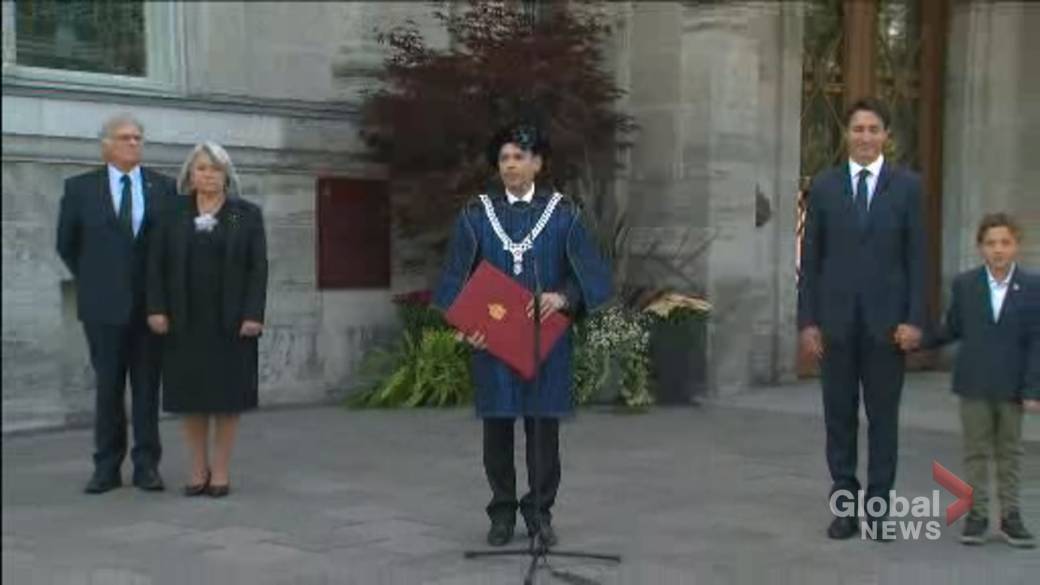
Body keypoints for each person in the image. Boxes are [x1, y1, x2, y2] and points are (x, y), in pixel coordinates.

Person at [433, 123, 612, 547]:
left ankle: (539, 514)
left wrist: (564, 297)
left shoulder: (565, 214)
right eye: (504, 159)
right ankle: (501, 512)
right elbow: (456, 278)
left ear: (537, 163)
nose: (511, 165)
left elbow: (589, 273)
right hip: (493, 341)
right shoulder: (476, 216)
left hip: (545, 340)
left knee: (543, 429)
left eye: (519, 157)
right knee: (496, 427)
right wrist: (466, 327)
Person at [797, 97, 928, 540]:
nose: (866, 137)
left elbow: (916, 259)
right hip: (834, 326)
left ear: (886, 136)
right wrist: (808, 322)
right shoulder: (827, 187)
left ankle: (879, 512)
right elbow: (810, 261)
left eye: (874, 129)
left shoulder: (907, 187)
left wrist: (914, 320)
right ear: (846, 135)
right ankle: (845, 509)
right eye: (858, 129)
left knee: (883, 420)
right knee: (839, 419)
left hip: (887, 328)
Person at [56, 113, 177, 494]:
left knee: (146, 388)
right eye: (124, 138)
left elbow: (170, 249)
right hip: (103, 307)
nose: (133, 144)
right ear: (105, 145)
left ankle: (146, 466)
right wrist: (98, 279)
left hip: (150, 307)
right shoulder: (80, 189)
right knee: (108, 387)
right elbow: (67, 245)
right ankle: (106, 467)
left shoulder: (163, 187)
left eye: (138, 138)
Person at [146, 142, 268, 498]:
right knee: (192, 398)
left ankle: (222, 471)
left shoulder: (246, 214)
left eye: (215, 169)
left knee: (227, 400)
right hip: (184, 321)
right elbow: (155, 266)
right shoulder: (171, 213)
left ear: (226, 174)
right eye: (201, 168)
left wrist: (253, 315)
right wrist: (156, 309)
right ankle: (197, 469)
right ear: (190, 175)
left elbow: (257, 269)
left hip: (231, 324)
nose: (208, 175)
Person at [929, 213, 1038, 548]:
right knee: (976, 451)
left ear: (1016, 246)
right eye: (991, 243)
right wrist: (917, 338)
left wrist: (1033, 389)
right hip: (974, 383)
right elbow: (953, 328)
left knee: (1010, 452)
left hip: (1012, 386)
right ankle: (977, 515)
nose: (998, 250)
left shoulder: (1032, 287)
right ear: (980, 248)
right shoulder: (966, 285)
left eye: (1005, 242)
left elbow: (1037, 341)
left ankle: (1011, 516)